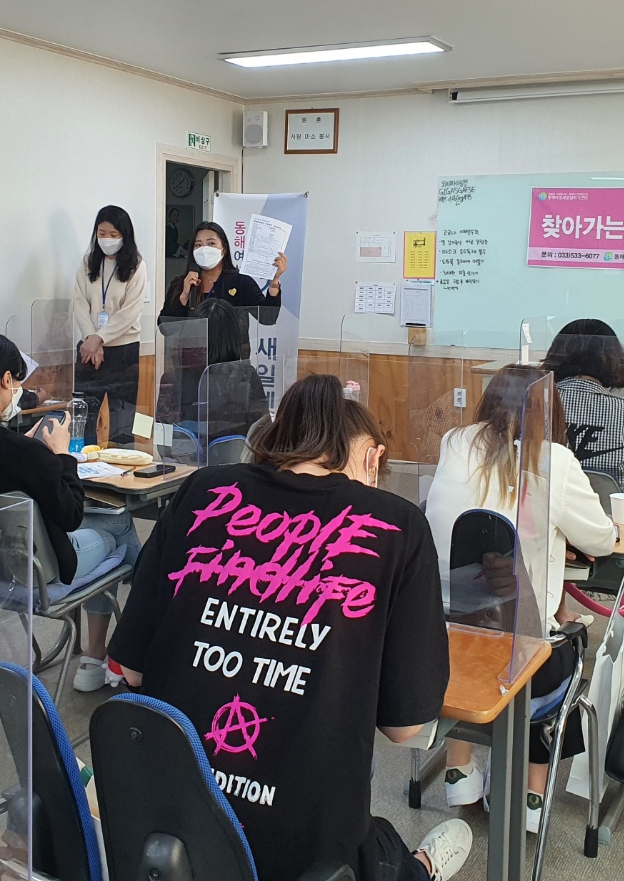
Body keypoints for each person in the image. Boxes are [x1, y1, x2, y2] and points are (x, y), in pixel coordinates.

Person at [109, 374, 472, 881]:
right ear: (372, 459)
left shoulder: (202, 489)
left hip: (168, 834)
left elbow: (130, 670)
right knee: (384, 852)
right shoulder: (398, 525)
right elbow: (405, 727)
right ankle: (422, 868)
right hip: (304, 856)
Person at [423, 364, 616, 830]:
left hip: (440, 641)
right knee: (556, 639)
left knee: (476, 615)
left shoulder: (454, 442)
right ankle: (531, 795)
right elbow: (602, 540)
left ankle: (459, 770)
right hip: (521, 655)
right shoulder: (555, 462)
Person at [0, 333, 140, 691]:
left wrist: (33, 454)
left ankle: (112, 653)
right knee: (120, 523)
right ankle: (122, 649)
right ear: (6, 380)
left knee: (112, 524)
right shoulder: (24, 453)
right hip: (40, 571)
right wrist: (61, 456)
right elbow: (71, 514)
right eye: (17, 381)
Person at [539, 318, 624, 605]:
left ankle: (557, 611)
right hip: (620, 544)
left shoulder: (534, 408)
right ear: (613, 361)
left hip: (548, 538)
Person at [74, 206, 146, 446]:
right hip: (88, 349)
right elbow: (79, 303)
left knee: (122, 417)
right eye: (101, 233)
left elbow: (130, 312)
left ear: (125, 235)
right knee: (85, 415)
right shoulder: (88, 262)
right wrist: (90, 339)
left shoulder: (137, 266)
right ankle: (83, 460)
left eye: (113, 235)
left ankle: (122, 461)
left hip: (123, 349)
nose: (107, 239)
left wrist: (99, 338)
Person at [156, 298, 270, 444]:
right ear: (233, 337)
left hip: (183, 456)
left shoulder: (173, 378)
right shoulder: (246, 375)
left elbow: (163, 438)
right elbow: (260, 432)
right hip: (235, 456)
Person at [159, 220, 285, 327]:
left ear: (223, 249)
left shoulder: (241, 282)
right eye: (198, 245)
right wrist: (184, 296)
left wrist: (274, 281)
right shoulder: (181, 283)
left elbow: (268, 318)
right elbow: (165, 328)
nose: (204, 249)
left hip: (231, 349)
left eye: (211, 243)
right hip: (191, 348)